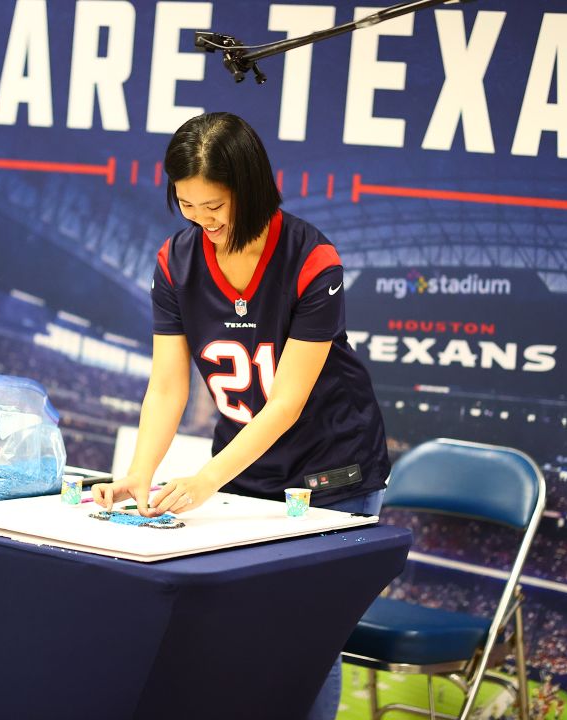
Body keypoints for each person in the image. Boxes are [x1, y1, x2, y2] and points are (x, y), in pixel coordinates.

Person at [93, 111, 391, 720]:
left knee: (307, 640)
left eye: (215, 206)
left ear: (250, 190)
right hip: (246, 467)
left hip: (329, 468)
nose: (203, 220)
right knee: (235, 635)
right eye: (187, 205)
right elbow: (168, 385)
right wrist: (139, 472)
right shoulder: (176, 261)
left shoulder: (312, 260)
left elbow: (286, 401)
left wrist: (207, 479)